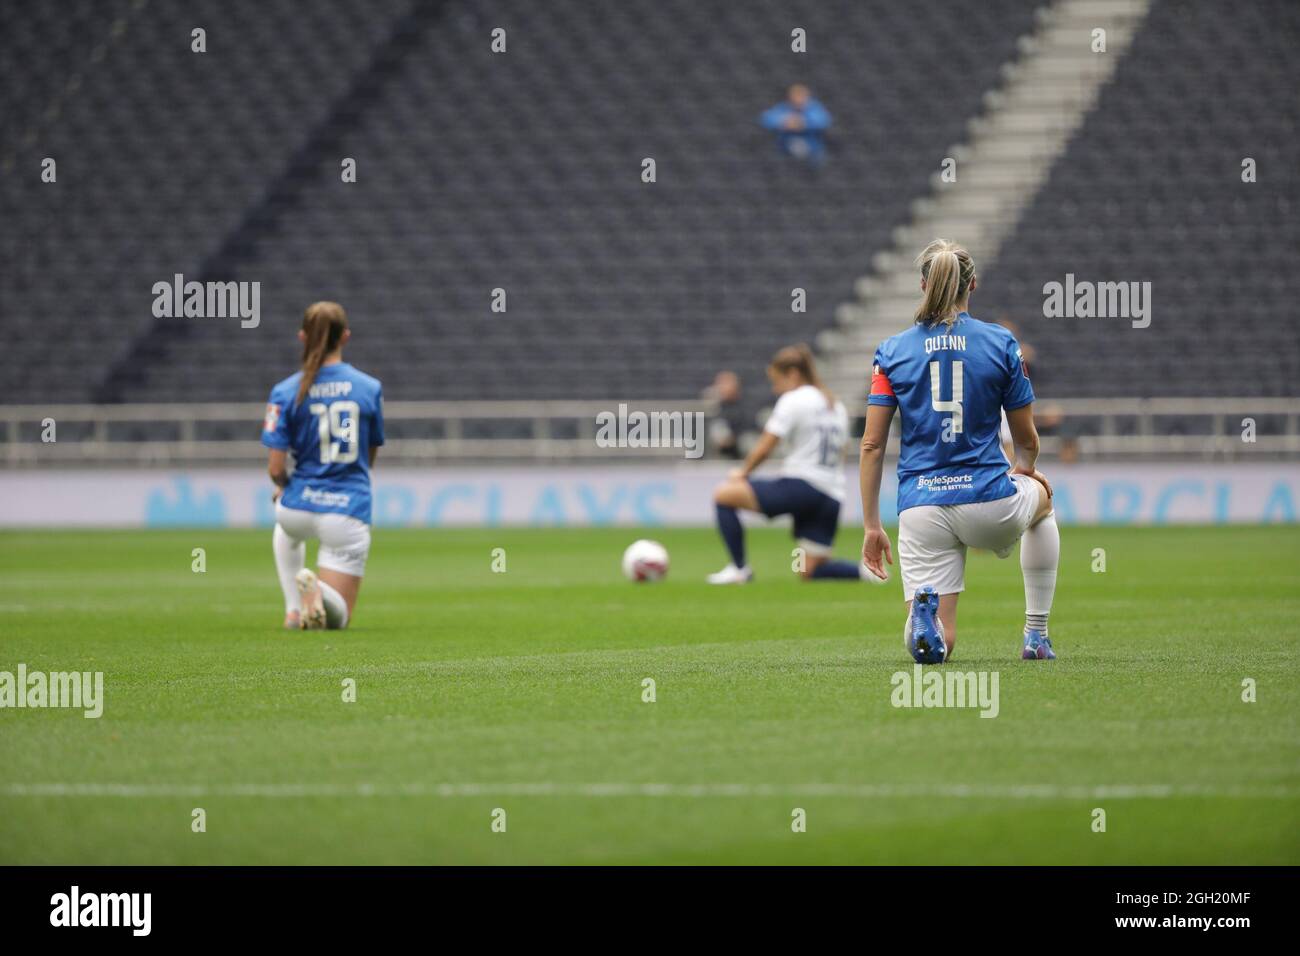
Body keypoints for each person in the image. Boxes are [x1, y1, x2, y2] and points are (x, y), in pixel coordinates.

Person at [859, 240, 1059, 662]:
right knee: (1044, 503)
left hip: (921, 506)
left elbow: (872, 445)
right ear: (974, 285)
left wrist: (871, 525)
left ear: (922, 285)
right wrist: (1027, 470)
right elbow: (1026, 437)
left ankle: (928, 628)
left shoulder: (891, 351)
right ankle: (1036, 635)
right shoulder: (1002, 342)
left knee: (942, 642)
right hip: (990, 501)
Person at [261, 302, 384, 630]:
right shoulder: (369, 388)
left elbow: (275, 467)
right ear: (345, 337)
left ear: (303, 337)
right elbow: (369, 453)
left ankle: (292, 609)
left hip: (296, 509)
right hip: (345, 510)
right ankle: (317, 592)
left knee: (283, 526)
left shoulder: (285, 391)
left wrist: (285, 488)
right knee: (339, 616)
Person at [709, 344, 876, 584]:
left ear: (793, 374)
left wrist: (742, 472)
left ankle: (739, 569)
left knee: (724, 495)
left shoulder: (794, 399)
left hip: (801, 486)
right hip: (830, 495)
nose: (776, 389)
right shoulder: (834, 404)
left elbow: (767, 444)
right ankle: (864, 573)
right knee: (809, 571)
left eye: (777, 381)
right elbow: (843, 450)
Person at [759, 84, 832, 165]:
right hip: (785, 147)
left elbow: (823, 121)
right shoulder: (784, 108)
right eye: (795, 97)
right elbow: (767, 119)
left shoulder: (814, 108)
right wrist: (783, 122)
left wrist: (803, 123)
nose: (798, 100)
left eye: (801, 96)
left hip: (811, 149)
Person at [702, 370, 746, 460]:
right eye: (721, 384)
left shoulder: (744, 406)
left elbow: (747, 427)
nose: (724, 387)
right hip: (714, 452)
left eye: (728, 383)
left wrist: (733, 437)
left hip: (737, 451)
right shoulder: (714, 406)